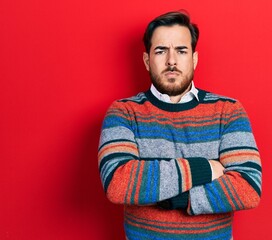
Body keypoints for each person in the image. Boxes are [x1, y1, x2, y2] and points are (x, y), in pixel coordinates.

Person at [98, 11, 262, 240]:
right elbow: (118, 182)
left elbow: (248, 187)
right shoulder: (124, 112)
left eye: (181, 51)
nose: (171, 61)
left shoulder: (228, 111)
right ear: (147, 60)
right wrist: (205, 168)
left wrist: (175, 198)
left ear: (194, 59)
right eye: (161, 50)